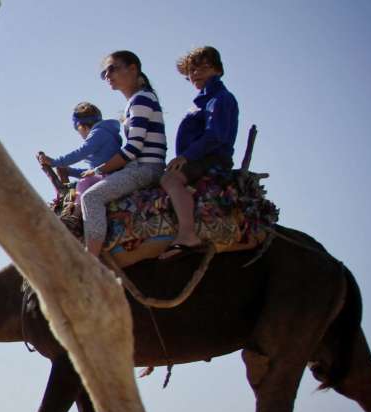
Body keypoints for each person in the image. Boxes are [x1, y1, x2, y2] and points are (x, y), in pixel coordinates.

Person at [79, 50, 167, 259]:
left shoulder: (141, 100)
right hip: (142, 167)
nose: (108, 75)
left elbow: (134, 148)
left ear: (133, 69)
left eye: (113, 69)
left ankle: (91, 259)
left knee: (91, 197)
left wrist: (98, 170)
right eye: (104, 73)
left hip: (144, 168)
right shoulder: (138, 101)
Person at [159, 46, 238, 255]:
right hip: (198, 159)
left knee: (170, 180)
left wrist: (186, 156)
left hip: (211, 159)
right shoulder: (203, 100)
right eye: (192, 69)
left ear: (218, 70)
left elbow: (215, 135)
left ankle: (187, 234)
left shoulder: (220, 98)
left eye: (204, 67)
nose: (196, 73)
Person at [35, 102, 122, 196]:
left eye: (77, 130)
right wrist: (71, 171)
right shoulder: (105, 132)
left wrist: (55, 162)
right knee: (79, 183)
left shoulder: (98, 133)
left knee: (83, 183)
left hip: (110, 176)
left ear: (81, 126)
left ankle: (76, 208)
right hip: (108, 174)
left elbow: (80, 152)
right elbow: (93, 172)